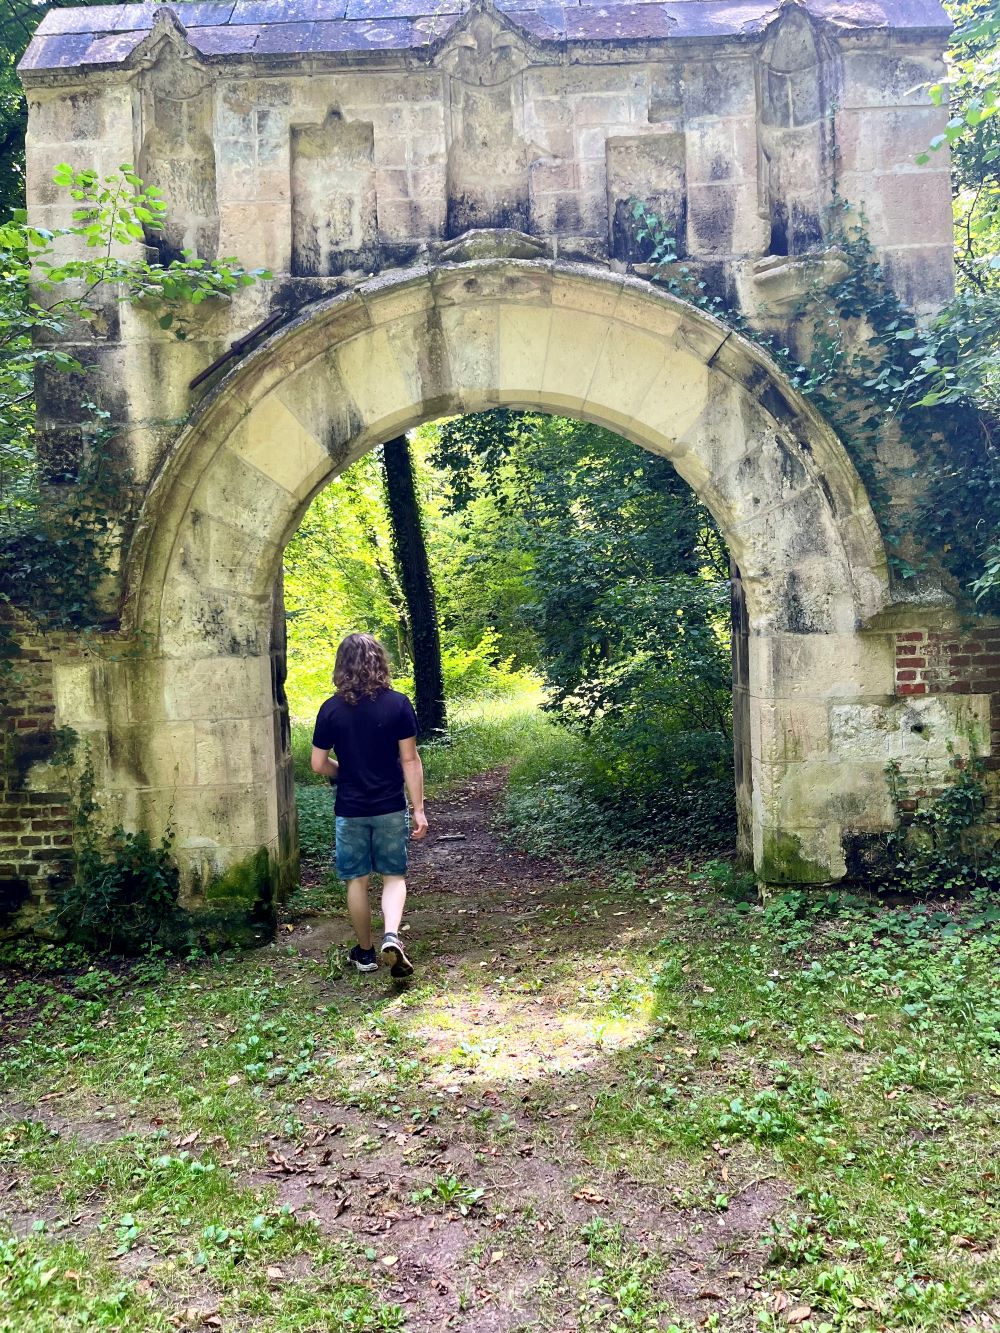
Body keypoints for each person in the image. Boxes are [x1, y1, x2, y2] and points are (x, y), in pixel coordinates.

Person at [310, 633, 428, 977]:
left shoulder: (330, 709)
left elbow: (318, 764)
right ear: (380, 661)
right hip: (390, 805)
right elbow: (410, 760)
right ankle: (392, 935)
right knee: (393, 875)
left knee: (356, 881)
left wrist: (344, 772)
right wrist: (418, 808)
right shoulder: (398, 704)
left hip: (351, 809)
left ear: (341, 666)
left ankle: (365, 953)